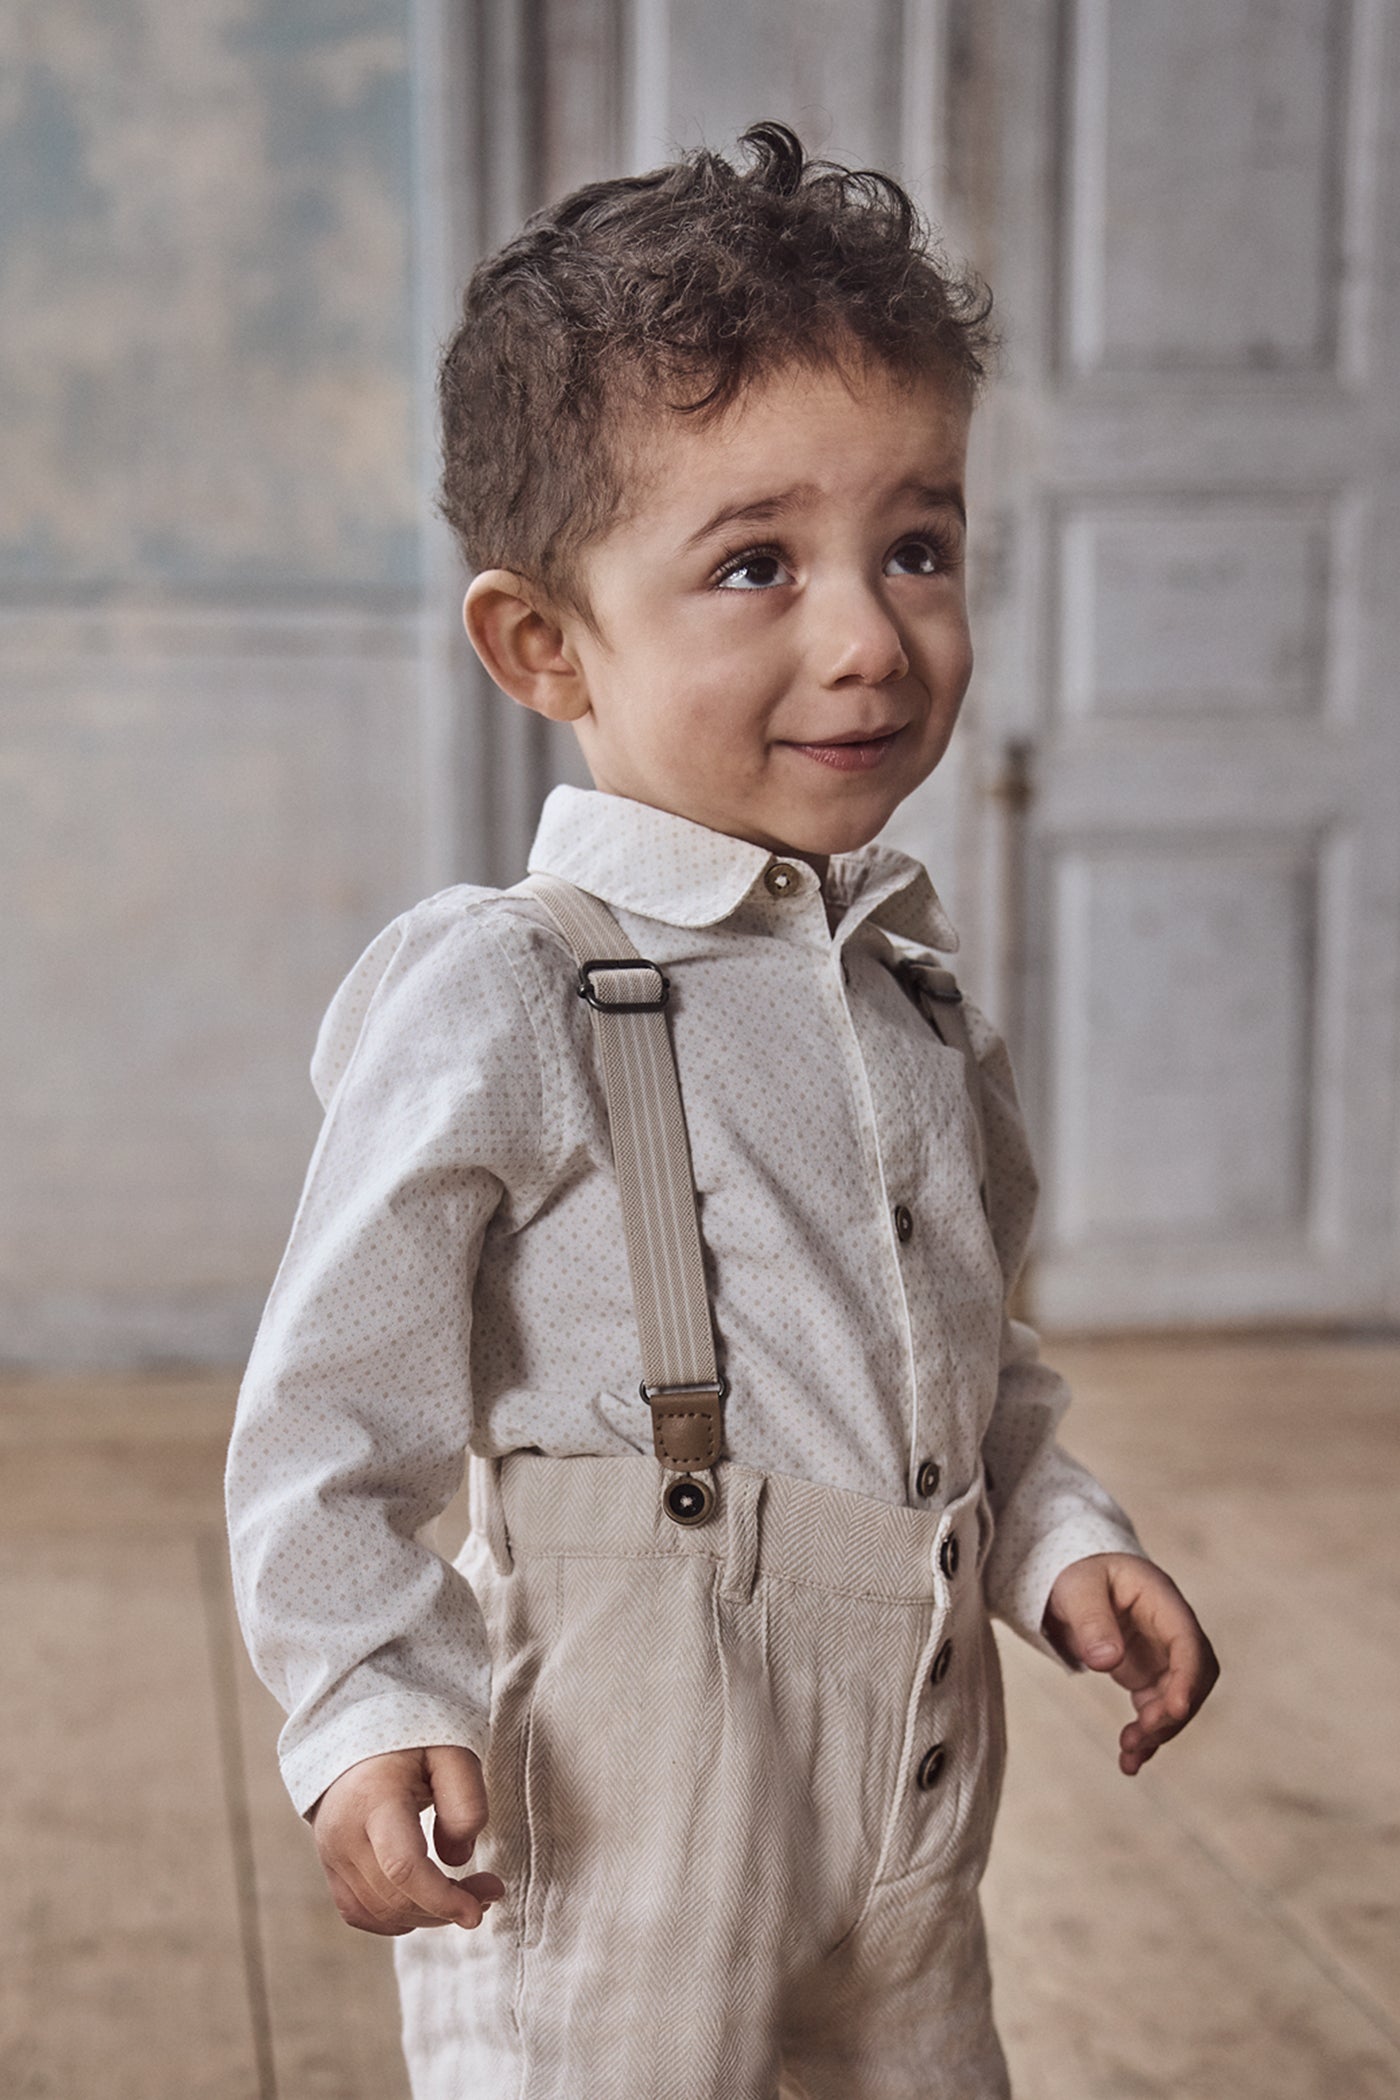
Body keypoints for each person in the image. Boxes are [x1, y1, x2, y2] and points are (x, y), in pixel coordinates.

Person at [225, 120, 1219, 2099]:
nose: (866, 636)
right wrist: (361, 1698)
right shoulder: (499, 983)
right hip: (620, 1786)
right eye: (754, 563)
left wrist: (1051, 1536)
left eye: (916, 546)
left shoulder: (911, 989)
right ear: (542, 641)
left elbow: (959, 1362)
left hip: (909, 1788)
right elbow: (329, 1419)